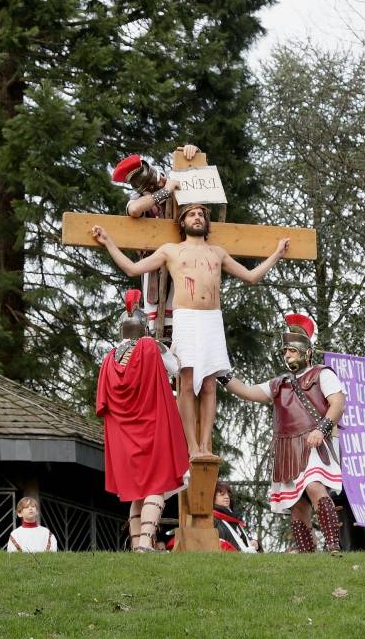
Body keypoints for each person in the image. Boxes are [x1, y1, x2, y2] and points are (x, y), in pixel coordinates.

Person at [92, 204, 289, 458]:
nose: (198, 218)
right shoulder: (171, 250)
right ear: (182, 222)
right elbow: (132, 268)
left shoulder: (218, 253)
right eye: (192, 215)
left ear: (207, 224)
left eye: (202, 215)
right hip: (186, 318)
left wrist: (276, 255)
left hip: (212, 320)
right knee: (186, 383)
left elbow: (251, 277)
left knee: (209, 384)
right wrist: (108, 241)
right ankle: (192, 447)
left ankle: (206, 446)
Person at [222, 314, 346, 553]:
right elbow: (247, 391)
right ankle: (308, 556)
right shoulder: (279, 383)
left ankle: (333, 546)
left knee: (314, 487)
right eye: (284, 351)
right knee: (297, 504)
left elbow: (338, 404)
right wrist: (220, 374)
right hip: (286, 448)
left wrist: (322, 429)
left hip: (314, 442)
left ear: (306, 351)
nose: (286, 354)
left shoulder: (323, 374)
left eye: (291, 350)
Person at [94, 289, 188, 552]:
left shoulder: (109, 359)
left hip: (124, 435)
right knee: (156, 485)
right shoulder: (150, 347)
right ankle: (146, 543)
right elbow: (177, 368)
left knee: (136, 491)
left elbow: (104, 405)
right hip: (151, 428)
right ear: (143, 327)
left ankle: (136, 546)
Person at [114, 144, 200, 339]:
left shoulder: (177, 183)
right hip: (155, 267)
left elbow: (198, 182)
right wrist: (164, 192)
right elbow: (135, 210)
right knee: (159, 326)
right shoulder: (140, 198)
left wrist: (191, 153)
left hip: (184, 262)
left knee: (184, 319)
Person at [212, 482, 259, 553]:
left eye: (228, 494)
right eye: (222, 494)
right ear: (213, 497)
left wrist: (255, 542)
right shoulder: (212, 520)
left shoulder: (233, 518)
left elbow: (240, 537)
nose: (227, 497)